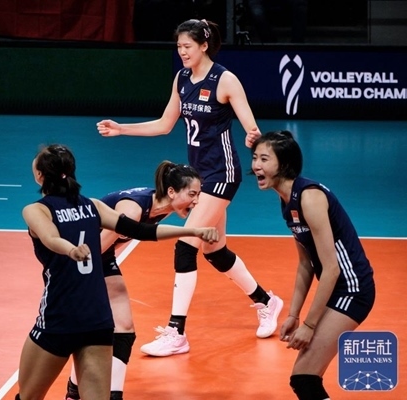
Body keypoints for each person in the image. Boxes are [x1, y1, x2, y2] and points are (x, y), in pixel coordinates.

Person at [96, 18, 282, 357]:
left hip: (223, 173)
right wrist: (122, 129)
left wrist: (252, 137)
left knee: (185, 244)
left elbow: (251, 126)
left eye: (187, 46)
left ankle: (176, 332)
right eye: (179, 46)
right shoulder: (182, 79)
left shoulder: (225, 80)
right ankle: (267, 302)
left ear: (204, 46)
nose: (182, 51)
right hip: (200, 177)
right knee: (215, 251)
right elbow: (165, 124)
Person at [16, 145, 219, 400]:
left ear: (39, 175)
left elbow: (50, 238)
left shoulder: (35, 210)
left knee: (28, 397)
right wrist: (192, 231)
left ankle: (80, 391)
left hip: (60, 316)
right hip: (97, 318)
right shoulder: (94, 206)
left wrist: (71, 250)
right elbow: (141, 231)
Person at [251, 130, 375, 400]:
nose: (256, 165)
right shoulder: (287, 200)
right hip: (338, 290)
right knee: (305, 379)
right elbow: (306, 263)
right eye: (255, 158)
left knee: (304, 378)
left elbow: (331, 268)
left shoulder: (310, 197)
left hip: (353, 290)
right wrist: (293, 315)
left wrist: (309, 325)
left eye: (264, 159)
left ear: (284, 164)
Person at [65, 161, 202, 400]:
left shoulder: (162, 208)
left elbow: (110, 246)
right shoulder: (134, 210)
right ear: (171, 191)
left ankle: (109, 395)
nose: (197, 201)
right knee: (91, 330)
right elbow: (94, 249)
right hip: (79, 255)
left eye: (198, 195)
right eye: (192, 194)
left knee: (124, 329)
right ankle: (74, 393)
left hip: (100, 254)